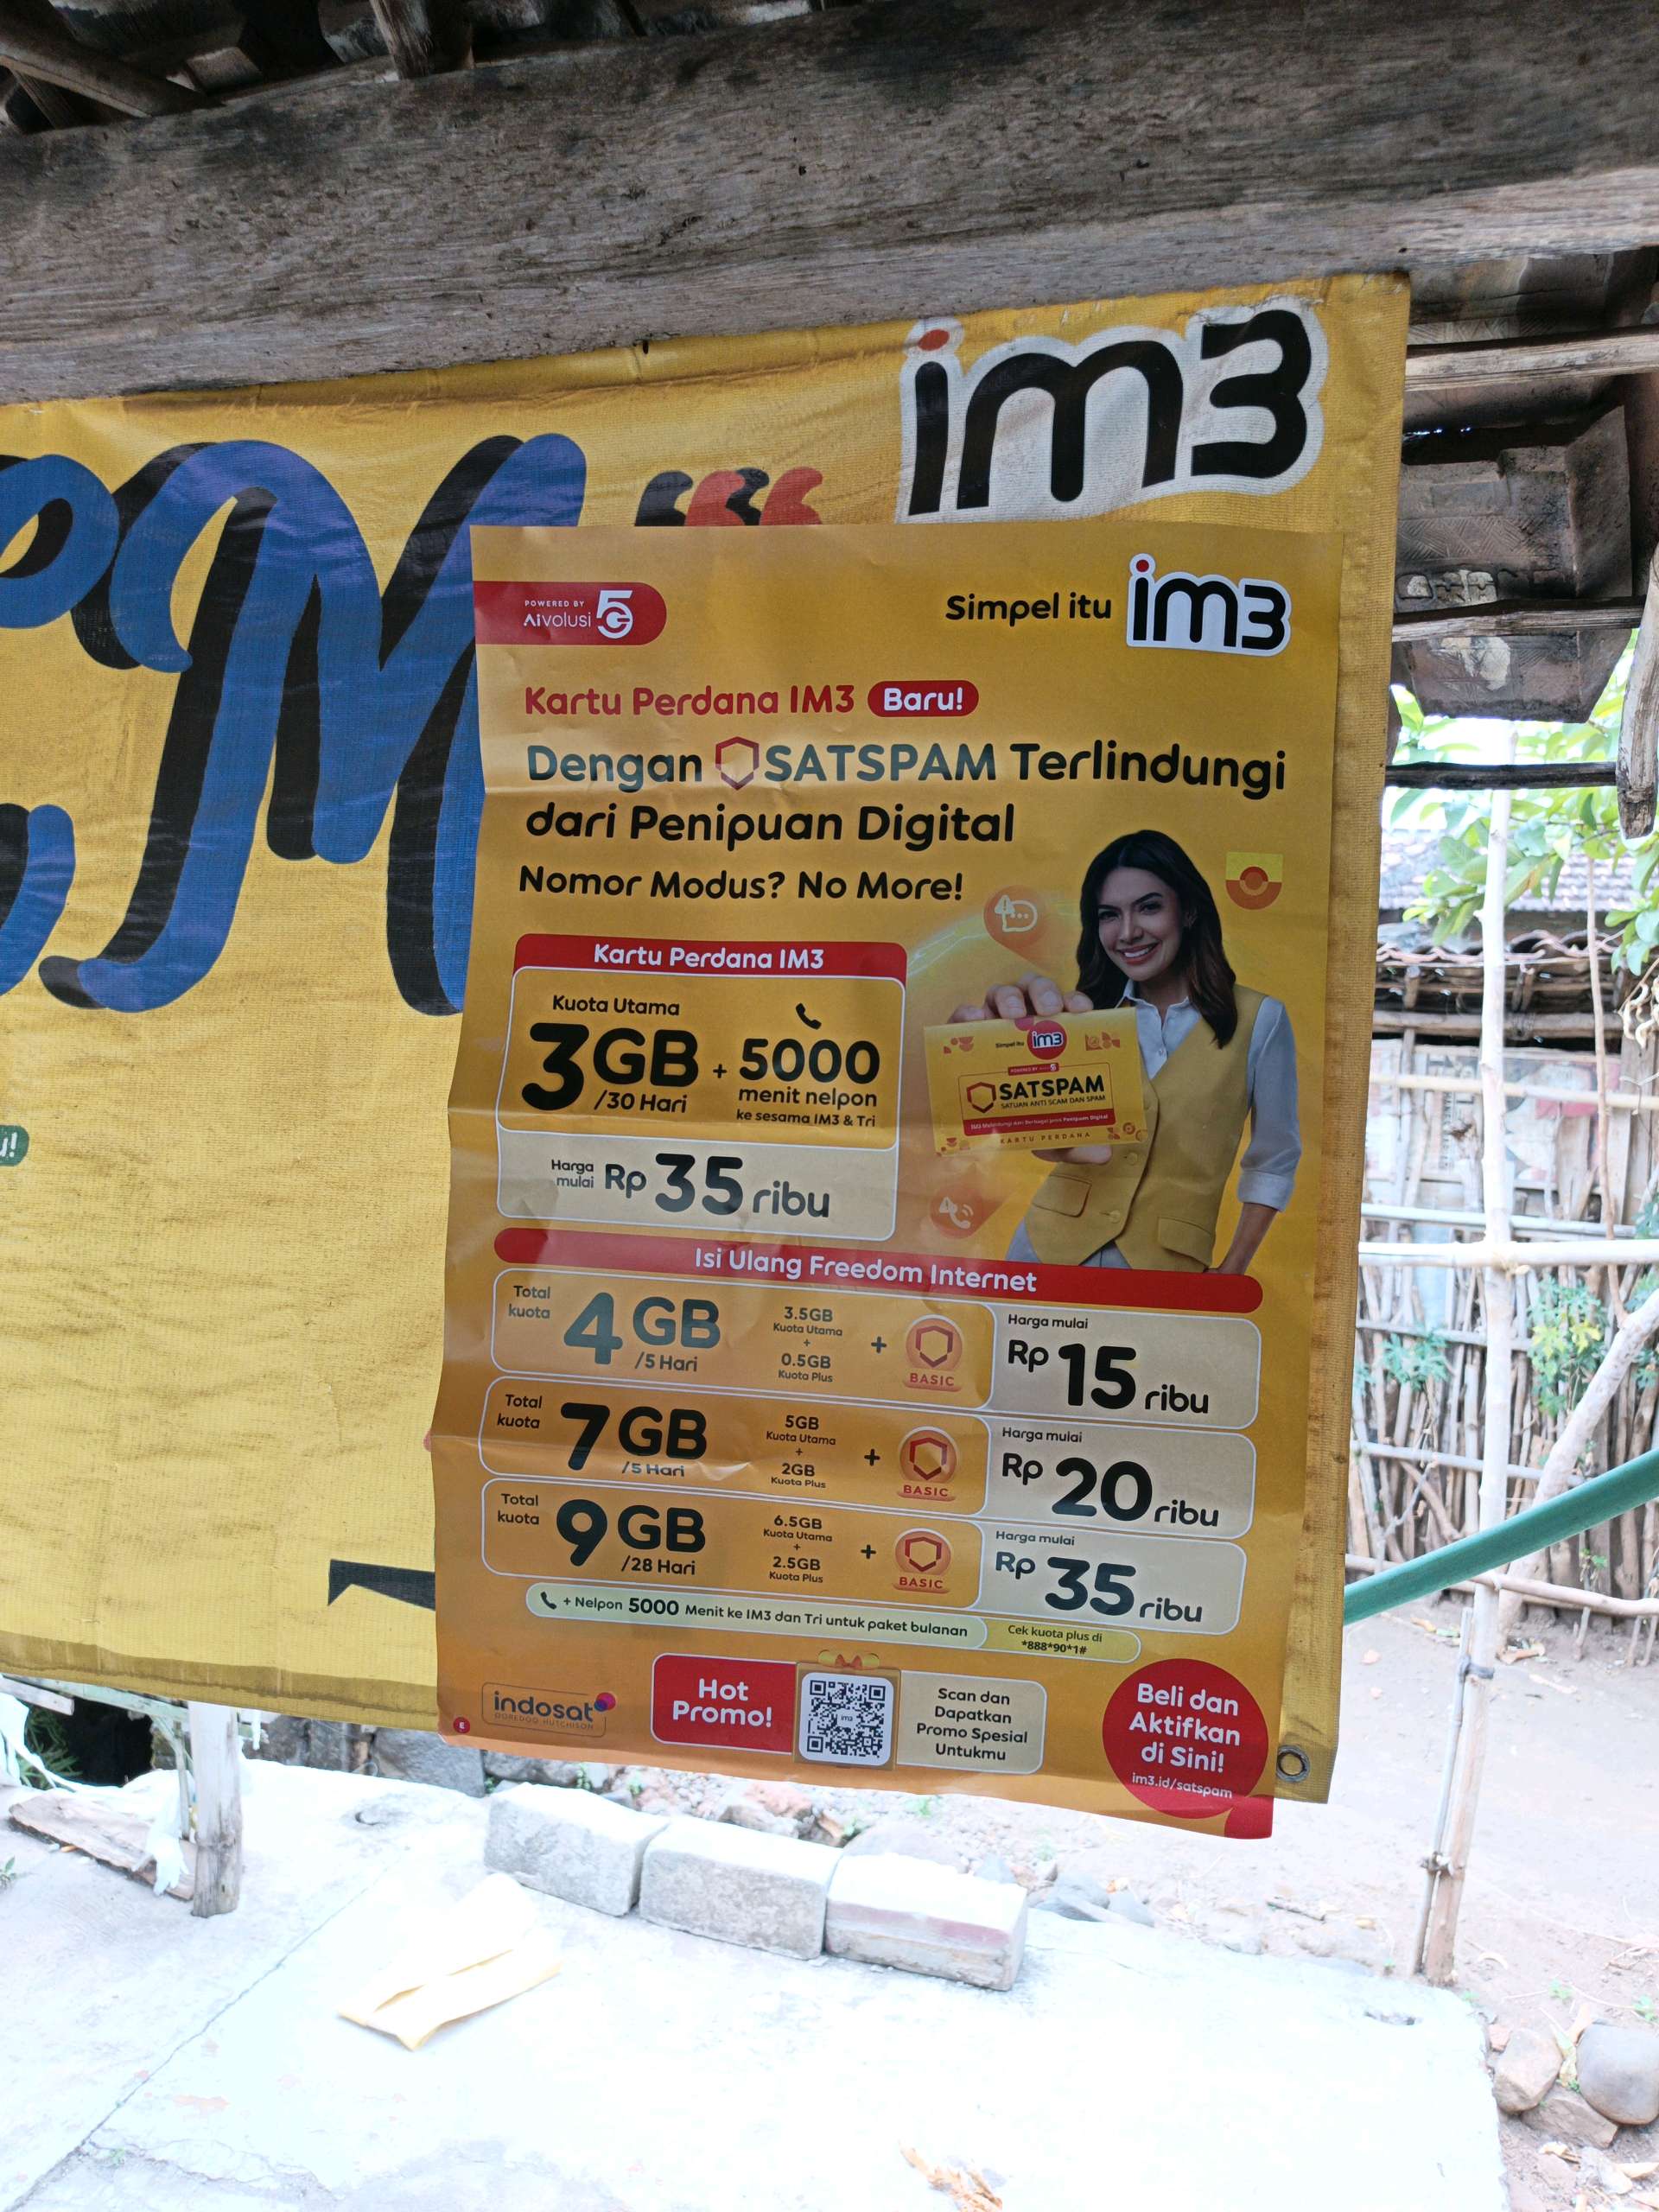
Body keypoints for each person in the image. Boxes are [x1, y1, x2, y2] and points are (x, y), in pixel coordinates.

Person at [948, 829, 1299, 1274]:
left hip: (1166, 1267)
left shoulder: (1260, 1019)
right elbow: (1045, 1139)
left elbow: (1274, 1159)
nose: (1128, 932)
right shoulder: (1082, 1016)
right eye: (1109, 915)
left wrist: (1233, 1271)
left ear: (1189, 910)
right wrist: (983, 1056)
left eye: (1149, 907)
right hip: (1046, 1249)